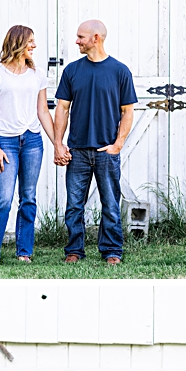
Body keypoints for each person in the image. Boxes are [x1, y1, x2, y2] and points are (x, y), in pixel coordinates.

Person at [52, 20, 138, 265]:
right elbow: (62, 108)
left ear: (96, 38)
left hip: (106, 150)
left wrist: (118, 144)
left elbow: (127, 111)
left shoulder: (119, 71)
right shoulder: (72, 70)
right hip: (77, 150)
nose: (77, 41)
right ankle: (74, 251)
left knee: (110, 204)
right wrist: (59, 144)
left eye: (81, 37)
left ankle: (112, 251)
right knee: (74, 206)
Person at [0, 26, 56, 266]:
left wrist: (58, 143)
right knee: (4, 198)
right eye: (30, 42)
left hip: (32, 140)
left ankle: (24, 252)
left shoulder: (37, 74)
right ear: (17, 43)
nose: (34, 46)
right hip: (6, 142)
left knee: (29, 197)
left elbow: (43, 111)